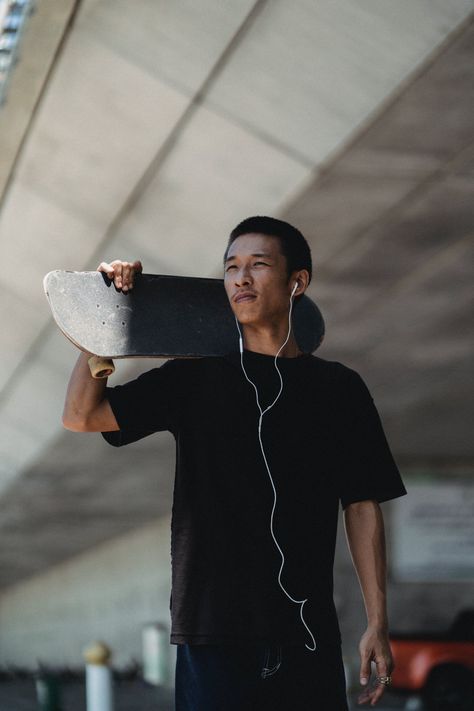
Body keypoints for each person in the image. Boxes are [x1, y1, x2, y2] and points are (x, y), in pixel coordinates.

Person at [63, 216, 407, 710]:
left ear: (297, 282)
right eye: (231, 267)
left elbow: (361, 502)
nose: (240, 278)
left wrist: (378, 621)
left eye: (258, 265)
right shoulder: (195, 378)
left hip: (307, 634)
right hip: (213, 636)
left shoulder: (339, 388)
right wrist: (101, 321)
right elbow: (82, 415)